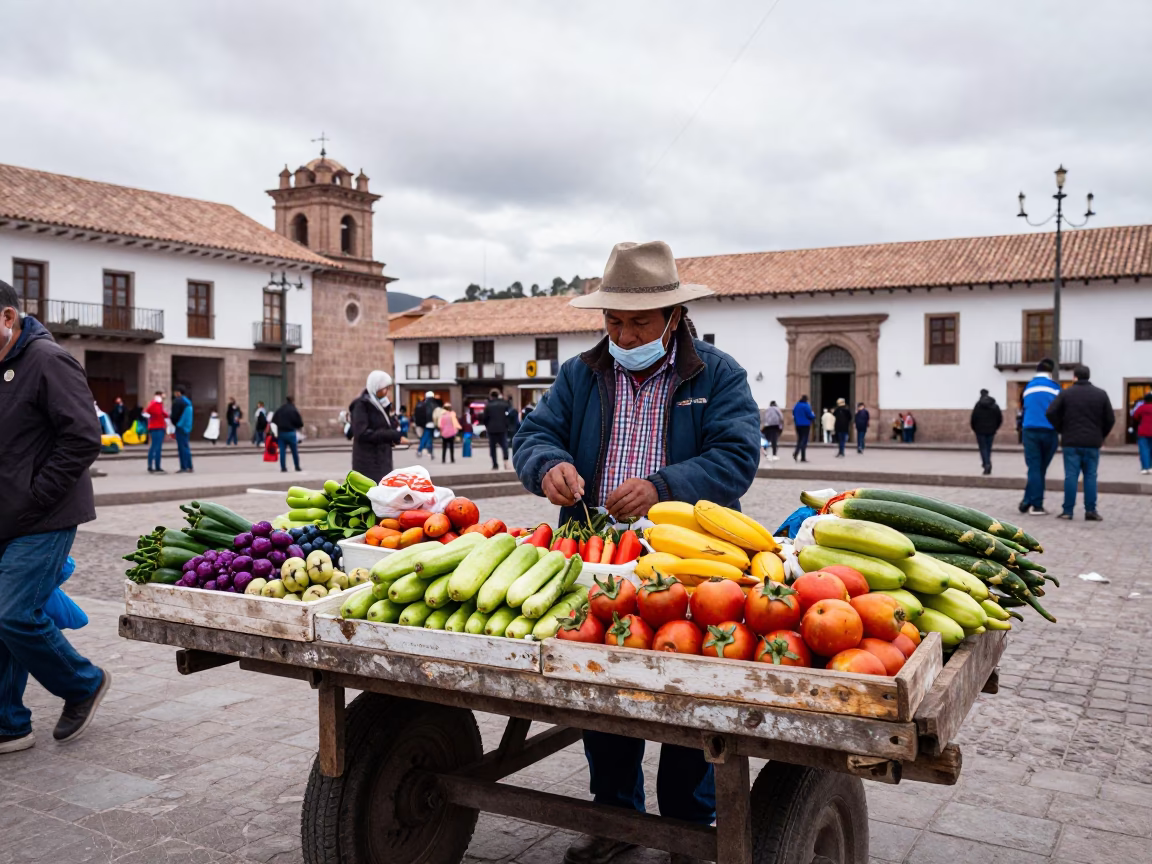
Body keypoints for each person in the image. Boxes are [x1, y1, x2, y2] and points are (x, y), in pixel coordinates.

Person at [512, 241, 759, 864]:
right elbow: (533, 435)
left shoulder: (717, 374)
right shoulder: (581, 374)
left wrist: (664, 487)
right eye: (614, 322)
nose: (624, 334)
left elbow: (737, 458)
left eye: (639, 322)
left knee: (683, 690)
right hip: (596, 556)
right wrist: (549, 465)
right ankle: (616, 816)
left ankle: (690, 826)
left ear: (672, 317)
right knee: (605, 692)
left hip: (688, 560)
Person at [0, 280, 111, 755]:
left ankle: (83, 684)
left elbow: (83, 438)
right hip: (8, 515)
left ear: (7, 318)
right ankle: (8, 723)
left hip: (44, 516)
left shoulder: (48, 360)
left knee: (14, 613)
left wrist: (35, 495)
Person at [1047, 366, 1114, 521]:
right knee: (1090, 476)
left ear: (1074, 377)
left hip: (1071, 441)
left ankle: (1068, 511)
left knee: (1071, 476)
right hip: (1092, 442)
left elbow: (1050, 412)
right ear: (1088, 376)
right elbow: (1110, 419)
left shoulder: (1066, 393)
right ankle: (1091, 510)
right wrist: (1100, 435)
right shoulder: (1101, 394)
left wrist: (1061, 429)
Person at [1019, 358, 1062, 515]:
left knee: (1034, 467)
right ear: (1051, 371)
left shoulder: (1027, 387)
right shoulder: (1055, 388)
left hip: (1030, 431)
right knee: (1040, 468)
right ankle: (1036, 505)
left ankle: (1027, 501)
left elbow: (1023, 407)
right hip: (1049, 431)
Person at [349, 371, 403, 482]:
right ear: (376, 387)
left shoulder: (381, 405)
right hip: (368, 461)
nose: (386, 392)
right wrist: (390, 435)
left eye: (388, 389)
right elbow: (362, 433)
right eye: (384, 388)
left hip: (382, 458)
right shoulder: (361, 405)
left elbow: (384, 424)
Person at [970, 389, 1003, 475]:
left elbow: (973, 419)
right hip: (991, 430)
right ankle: (987, 462)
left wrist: (975, 428)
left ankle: (986, 463)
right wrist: (995, 428)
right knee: (988, 448)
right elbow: (999, 418)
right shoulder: (995, 406)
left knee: (983, 448)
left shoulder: (978, 405)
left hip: (980, 431)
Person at [482, 388, 513, 471]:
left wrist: (487, 426)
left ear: (491, 396)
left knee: (492, 448)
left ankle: (495, 464)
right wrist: (507, 425)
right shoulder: (504, 404)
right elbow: (509, 415)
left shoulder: (488, 405)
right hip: (502, 429)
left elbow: (484, 418)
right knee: (505, 446)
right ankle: (506, 463)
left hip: (491, 430)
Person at [272, 396, 304, 472]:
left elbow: (274, 420)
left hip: (281, 433)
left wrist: (279, 425)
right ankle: (297, 466)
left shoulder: (280, 409)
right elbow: (299, 422)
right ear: (292, 401)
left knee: (282, 451)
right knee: (294, 451)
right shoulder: (293, 410)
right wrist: (297, 427)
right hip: (291, 432)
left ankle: (283, 467)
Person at [170, 387, 194, 473]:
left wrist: (175, 424)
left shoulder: (178, 401)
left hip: (180, 427)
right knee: (186, 447)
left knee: (182, 448)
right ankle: (189, 466)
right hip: (187, 427)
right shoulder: (188, 402)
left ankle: (184, 467)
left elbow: (174, 416)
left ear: (178, 393)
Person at [144, 391, 168, 473]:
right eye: (162, 395)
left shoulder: (159, 404)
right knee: (155, 447)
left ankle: (156, 466)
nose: (164, 396)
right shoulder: (155, 403)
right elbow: (149, 412)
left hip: (158, 427)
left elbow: (162, 413)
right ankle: (153, 466)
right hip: (156, 427)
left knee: (157, 447)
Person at [413, 391, 439, 456]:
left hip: (426, 423)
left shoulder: (423, 404)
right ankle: (429, 451)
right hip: (433, 423)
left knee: (425, 437)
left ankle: (420, 450)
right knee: (429, 438)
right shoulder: (435, 405)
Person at [792, 395, 816, 462]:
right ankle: (802, 457)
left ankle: (796, 453)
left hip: (798, 425)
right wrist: (814, 416)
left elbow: (793, 413)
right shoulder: (806, 406)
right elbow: (810, 415)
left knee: (799, 439)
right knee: (804, 440)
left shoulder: (796, 405)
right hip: (805, 425)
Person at [1133, 392, 1152, 475]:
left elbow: (1135, 416)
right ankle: (1151, 467)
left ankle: (1145, 468)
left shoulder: (1142, 407)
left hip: (1143, 432)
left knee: (1144, 450)